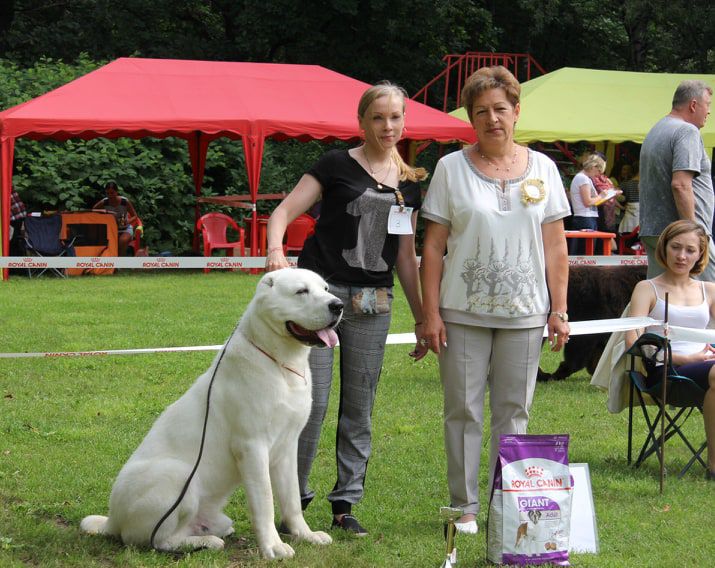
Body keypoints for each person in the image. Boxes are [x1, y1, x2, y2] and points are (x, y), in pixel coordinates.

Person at [264, 81, 429, 535]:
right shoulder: (334, 164)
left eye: (396, 117)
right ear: (362, 122)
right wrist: (276, 250)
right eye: (378, 117)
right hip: (320, 296)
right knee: (309, 405)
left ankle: (345, 504)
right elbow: (282, 214)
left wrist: (421, 317)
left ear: (404, 122)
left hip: (374, 302)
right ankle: (292, 502)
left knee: (360, 407)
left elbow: (405, 257)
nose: (388, 126)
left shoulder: (411, 185)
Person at [419, 66, 571, 534]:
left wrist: (559, 309)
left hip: (525, 314)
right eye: (480, 111)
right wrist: (429, 313)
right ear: (470, 117)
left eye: (500, 109)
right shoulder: (449, 168)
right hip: (461, 312)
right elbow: (432, 246)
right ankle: (464, 506)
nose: (492, 119)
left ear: (516, 112)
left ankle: (506, 502)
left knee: (514, 411)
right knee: (462, 409)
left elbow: (556, 247)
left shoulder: (544, 168)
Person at [625, 220, 715, 481]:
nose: (681, 255)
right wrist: (684, 357)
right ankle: (713, 465)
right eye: (675, 247)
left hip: (706, 366)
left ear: (700, 254)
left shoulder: (708, 290)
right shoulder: (647, 288)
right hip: (665, 372)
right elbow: (633, 341)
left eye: (690, 250)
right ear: (663, 248)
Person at [639, 80, 713, 279]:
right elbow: (680, 184)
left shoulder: (656, 130)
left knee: (664, 300)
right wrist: (693, 235)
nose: (709, 112)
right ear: (693, 105)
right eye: (708, 105)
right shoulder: (686, 131)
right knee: (709, 295)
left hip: (656, 231)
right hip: (683, 239)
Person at [568, 153, 619, 254]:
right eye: (599, 171)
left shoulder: (584, 178)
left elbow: (592, 202)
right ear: (593, 167)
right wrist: (602, 196)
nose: (598, 174)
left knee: (586, 249)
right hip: (585, 218)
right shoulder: (583, 179)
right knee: (584, 251)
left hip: (587, 217)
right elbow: (588, 202)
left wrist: (606, 196)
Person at [92, 181, 139, 256]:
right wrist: (103, 211)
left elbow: (135, 216)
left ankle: (119, 262)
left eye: (112, 193)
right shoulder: (105, 202)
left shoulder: (124, 201)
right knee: (107, 242)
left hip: (125, 228)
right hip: (111, 229)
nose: (110, 196)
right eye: (108, 193)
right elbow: (93, 210)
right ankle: (112, 262)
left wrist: (127, 221)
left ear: (116, 192)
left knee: (122, 241)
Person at [618, 160, 640, 236]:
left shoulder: (626, 183)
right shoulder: (646, 183)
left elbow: (613, 195)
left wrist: (621, 206)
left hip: (628, 219)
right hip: (642, 219)